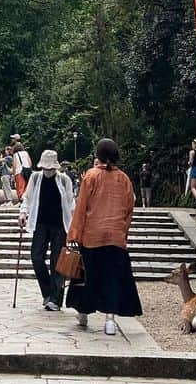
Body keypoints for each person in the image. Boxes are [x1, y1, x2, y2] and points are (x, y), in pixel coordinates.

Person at [65, 137, 142, 336]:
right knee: (112, 279)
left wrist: (74, 233)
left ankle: (83, 314)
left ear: (98, 155)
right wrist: (123, 232)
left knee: (86, 277)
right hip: (115, 237)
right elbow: (128, 209)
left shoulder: (91, 176)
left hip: (92, 236)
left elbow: (81, 207)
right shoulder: (124, 179)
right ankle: (110, 320)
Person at [19, 150, 76, 311]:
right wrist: (23, 212)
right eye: (45, 167)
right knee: (36, 257)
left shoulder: (64, 180)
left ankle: (56, 300)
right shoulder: (36, 178)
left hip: (60, 225)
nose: (47, 171)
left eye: (50, 168)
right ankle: (48, 292)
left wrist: (74, 226)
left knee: (58, 263)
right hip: (40, 224)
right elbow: (28, 198)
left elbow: (71, 204)